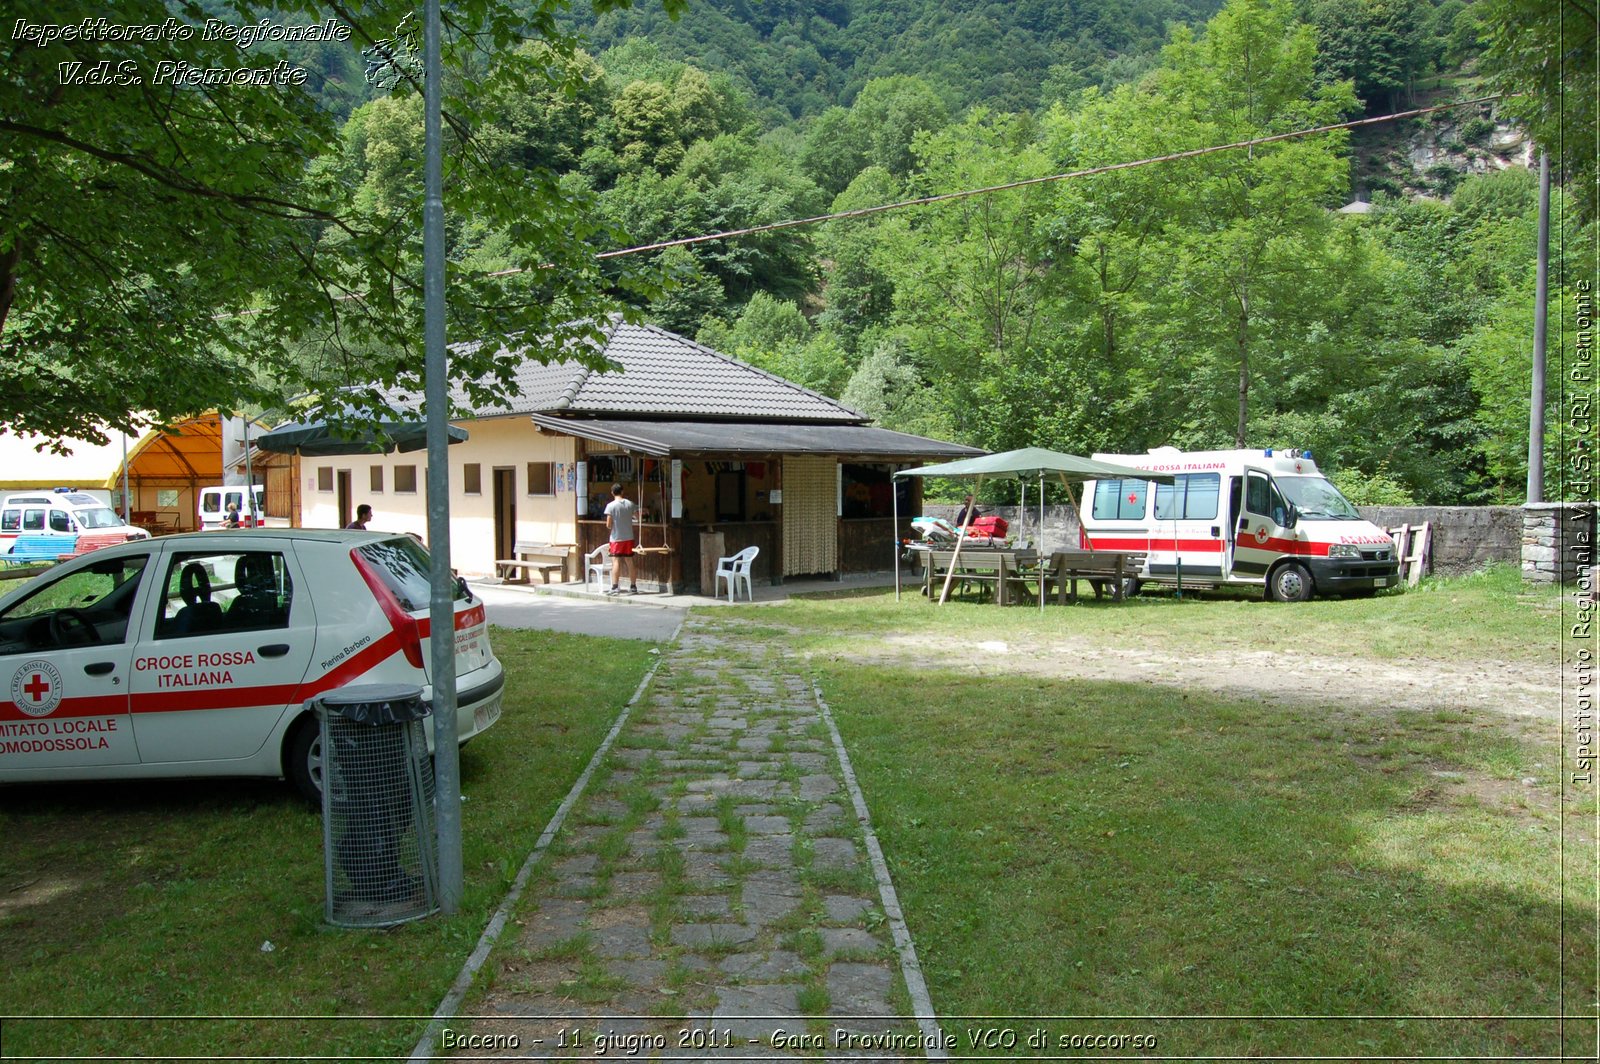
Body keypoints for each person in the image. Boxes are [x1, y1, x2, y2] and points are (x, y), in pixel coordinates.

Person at [603, 482, 639, 595]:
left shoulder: (611, 506)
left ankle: (615, 587)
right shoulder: (630, 504)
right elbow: (637, 518)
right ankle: (633, 586)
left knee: (616, 561)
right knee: (630, 561)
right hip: (629, 537)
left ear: (612, 492)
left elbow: (608, 524)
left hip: (616, 538)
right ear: (622, 491)